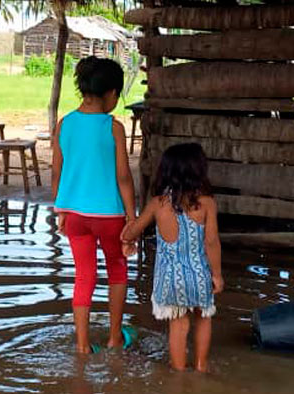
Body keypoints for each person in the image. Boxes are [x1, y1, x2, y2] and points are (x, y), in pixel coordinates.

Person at [52, 57, 137, 354]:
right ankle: (114, 337)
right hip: (109, 216)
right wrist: (132, 218)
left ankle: (83, 345)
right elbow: (124, 178)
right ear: (111, 93)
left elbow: (57, 173)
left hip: (74, 215)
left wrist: (61, 209)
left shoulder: (64, 124)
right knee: (117, 268)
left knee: (84, 274)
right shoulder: (113, 128)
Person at [121, 143, 223, 372]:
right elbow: (211, 242)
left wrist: (127, 235)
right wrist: (216, 275)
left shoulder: (158, 204)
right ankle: (200, 367)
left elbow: (134, 231)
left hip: (170, 280)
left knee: (179, 324)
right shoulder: (207, 204)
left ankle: (178, 373)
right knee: (203, 318)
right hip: (199, 275)